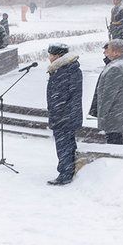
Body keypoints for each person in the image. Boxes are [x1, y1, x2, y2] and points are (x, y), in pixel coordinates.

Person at [45, 43, 83, 186]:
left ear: (58, 56)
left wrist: (59, 112)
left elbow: (65, 95)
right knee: (65, 145)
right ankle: (66, 170)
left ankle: (65, 174)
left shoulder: (66, 70)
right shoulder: (63, 68)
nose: (49, 58)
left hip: (64, 116)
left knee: (64, 145)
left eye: (50, 55)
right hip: (63, 114)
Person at [92, 39, 123, 145]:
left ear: (116, 52)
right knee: (117, 142)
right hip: (120, 114)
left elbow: (108, 96)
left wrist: (102, 117)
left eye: (108, 50)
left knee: (114, 145)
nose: (105, 52)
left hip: (114, 116)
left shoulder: (115, 68)